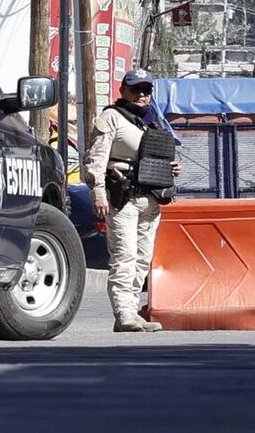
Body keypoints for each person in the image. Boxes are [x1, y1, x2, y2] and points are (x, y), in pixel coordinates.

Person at [83, 68, 180, 332]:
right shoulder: (111, 117)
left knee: (142, 258)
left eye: (146, 90)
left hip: (151, 199)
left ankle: (133, 311)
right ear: (123, 91)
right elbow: (95, 159)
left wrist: (170, 168)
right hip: (122, 198)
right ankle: (123, 313)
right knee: (124, 256)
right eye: (136, 89)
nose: (141, 94)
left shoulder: (153, 121)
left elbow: (156, 157)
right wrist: (98, 192)